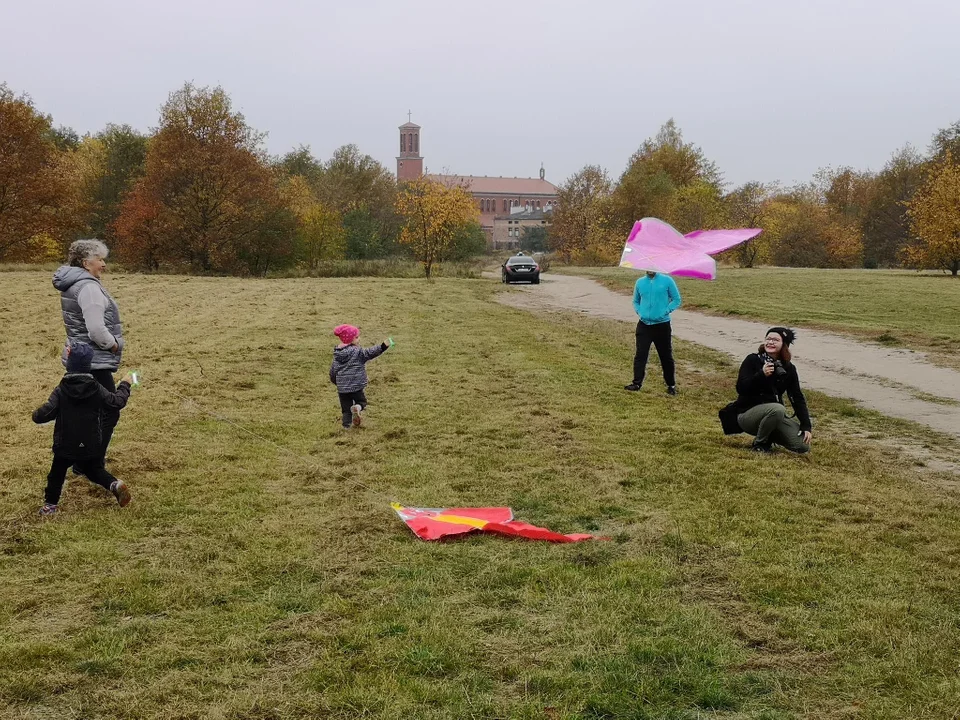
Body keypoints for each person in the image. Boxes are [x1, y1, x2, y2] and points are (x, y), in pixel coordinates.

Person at [32, 343, 134, 515]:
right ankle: (114, 484)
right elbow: (116, 402)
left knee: (56, 474)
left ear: (69, 364)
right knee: (94, 470)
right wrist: (125, 384)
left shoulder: (61, 389)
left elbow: (46, 413)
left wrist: (36, 415)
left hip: (65, 443)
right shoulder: (96, 388)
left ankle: (50, 506)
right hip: (91, 442)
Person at [52, 239, 126, 478]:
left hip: (80, 356)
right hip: (94, 359)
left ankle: (81, 460)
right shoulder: (89, 287)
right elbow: (95, 328)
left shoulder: (73, 283)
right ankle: (91, 463)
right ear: (86, 262)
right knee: (108, 411)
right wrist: (113, 345)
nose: (103, 264)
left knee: (87, 412)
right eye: (100, 259)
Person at [728, 327, 812, 453]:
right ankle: (760, 444)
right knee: (778, 409)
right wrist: (761, 374)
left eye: (775, 340)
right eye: (768, 339)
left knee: (802, 446)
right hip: (746, 414)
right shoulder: (752, 360)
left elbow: (797, 396)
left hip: (774, 415)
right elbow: (741, 388)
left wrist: (806, 425)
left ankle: (768, 433)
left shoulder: (788, 368)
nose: (770, 342)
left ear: (784, 345)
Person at [624, 270, 682, 395]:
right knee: (641, 355)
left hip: (662, 325)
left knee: (665, 356)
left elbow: (676, 299)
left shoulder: (667, 280)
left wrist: (666, 311)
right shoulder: (640, 282)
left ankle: (671, 385)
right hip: (644, 325)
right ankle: (636, 383)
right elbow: (635, 301)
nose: (650, 268)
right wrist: (640, 312)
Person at [329, 325, 391, 428]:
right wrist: (383, 346)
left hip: (342, 389)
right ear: (349, 340)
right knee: (362, 401)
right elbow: (370, 352)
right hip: (356, 386)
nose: (359, 339)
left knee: (346, 409)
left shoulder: (337, 355)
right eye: (357, 337)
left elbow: (333, 371)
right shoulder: (358, 352)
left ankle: (346, 427)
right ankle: (357, 408)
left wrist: (337, 383)